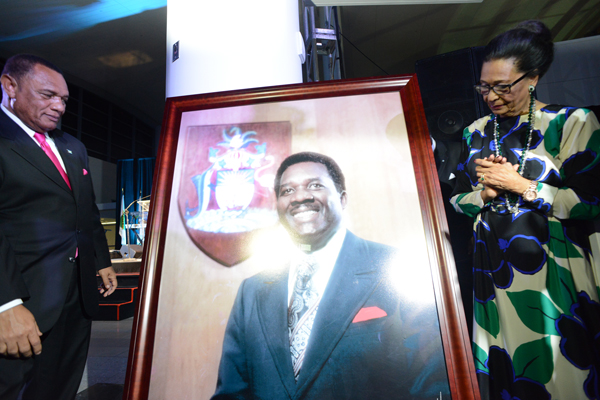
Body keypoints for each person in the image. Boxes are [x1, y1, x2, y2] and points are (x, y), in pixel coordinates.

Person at [212, 152, 450, 399]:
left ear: (343, 198)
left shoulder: (394, 266)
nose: (300, 197)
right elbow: (231, 392)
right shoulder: (252, 291)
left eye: (315, 185)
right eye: (287, 191)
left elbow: (431, 379)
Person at [450, 21, 600, 400]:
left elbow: (589, 202)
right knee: (511, 376)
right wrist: (483, 193)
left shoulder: (572, 123)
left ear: (533, 78)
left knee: (562, 369)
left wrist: (522, 186)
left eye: (503, 86)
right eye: (484, 86)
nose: (491, 96)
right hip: (494, 275)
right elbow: (457, 200)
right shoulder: (476, 132)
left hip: (554, 274)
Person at [0, 54, 118, 400]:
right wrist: (6, 305)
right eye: (47, 95)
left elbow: (86, 212)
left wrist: (101, 260)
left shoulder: (72, 146)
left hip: (75, 296)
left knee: (58, 387)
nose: (60, 107)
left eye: (64, 100)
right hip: (21, 296)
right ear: (10, 87)